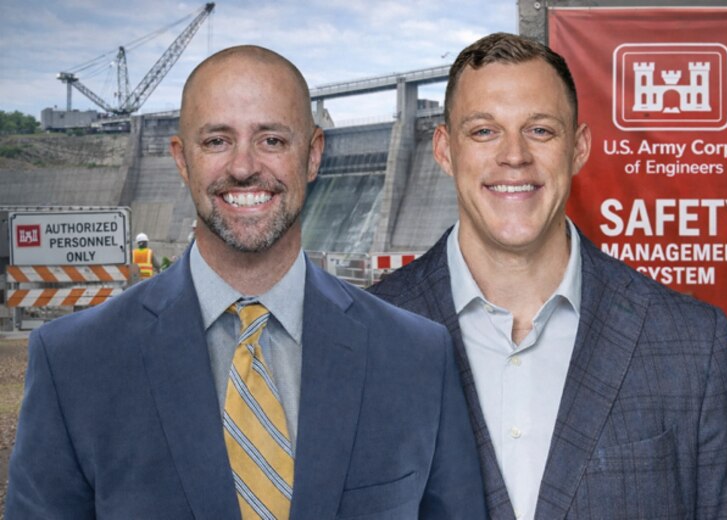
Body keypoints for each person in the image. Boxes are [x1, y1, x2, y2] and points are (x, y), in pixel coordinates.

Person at [7, 45, 487, 519]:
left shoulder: (416, 356)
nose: (243, 167)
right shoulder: (74, 363)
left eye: (272, 140)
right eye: (217, 140)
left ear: (314, 155)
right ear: (181, 160)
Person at [370, 32, 727, 519]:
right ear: (444, 149)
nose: (514, 155)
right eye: (483, 131)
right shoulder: (368, 334)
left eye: (540, 130)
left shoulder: (692, 344)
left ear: (579, 147)